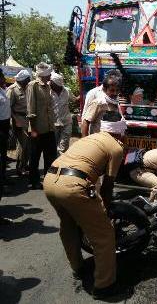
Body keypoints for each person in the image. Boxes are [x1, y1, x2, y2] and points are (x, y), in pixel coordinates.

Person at [43, 116, 126, 299]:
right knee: (103, 235)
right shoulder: (116, 147)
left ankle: (78, 268)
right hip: (73, 186)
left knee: (69, 225)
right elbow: (107, 186)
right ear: (120, 130)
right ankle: (105, 286)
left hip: (50, 180)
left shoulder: (89, 138)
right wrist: (105, 210)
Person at [27, 62, 57, 189]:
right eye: (49, 74)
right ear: (44, 74)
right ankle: (33, 181)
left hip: (49, 127)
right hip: (37, 129)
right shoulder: (33, 85)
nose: (51, 76)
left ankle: (48, 180)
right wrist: (33, 129)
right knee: (34, 156)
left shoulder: (48, 86)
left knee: (50, 156)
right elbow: (31, 109)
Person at [81, 69, 123, 136]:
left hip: (111, 141)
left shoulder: (115, 102)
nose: (115, 93)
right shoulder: (98, 102)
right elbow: (85, 121)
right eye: (112, 90)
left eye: (117, 90)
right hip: (98, 141)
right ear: (105, 90)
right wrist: (85, 141)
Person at [6, 70, 31, 176]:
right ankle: (20, 168)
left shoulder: (27, 88)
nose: (29, 81)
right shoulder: (12, 90)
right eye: (28, 79)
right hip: (17, 119)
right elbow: (8, 107)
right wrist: (15, 121)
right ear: (24, 80)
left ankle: (24, 165)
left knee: (28, 144)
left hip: (26, 119)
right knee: (22, 145)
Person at [50, 72, 78, 154]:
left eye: (51, 82)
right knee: (53, 145)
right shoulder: (48, 92)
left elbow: (74, 100)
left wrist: (81, 97)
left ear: (56, 84)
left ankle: (61, 162)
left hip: (66, 122)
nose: (49, 83)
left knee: (64, 145)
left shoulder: (67, 91)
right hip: (53, 123)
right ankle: (54, 163)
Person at [0, 69, 10, 198]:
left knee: (3, 155)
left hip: (5, 125)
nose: (3, 78)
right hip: (0, 126)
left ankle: (3, 179)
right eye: (1, 76)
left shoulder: (2, 90)